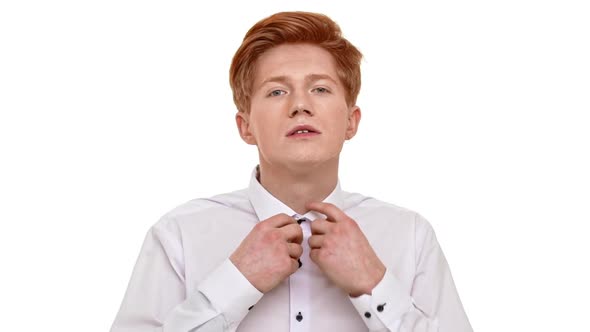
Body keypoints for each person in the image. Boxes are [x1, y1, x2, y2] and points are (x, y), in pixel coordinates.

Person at [110, 11, 473, 332]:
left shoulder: (410, 236)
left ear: (351, 120)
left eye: (320, 88)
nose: (301, 105)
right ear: (245, 126)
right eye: (277, 91)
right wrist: (234, 282)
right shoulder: (178, 235)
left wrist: (375, 285)